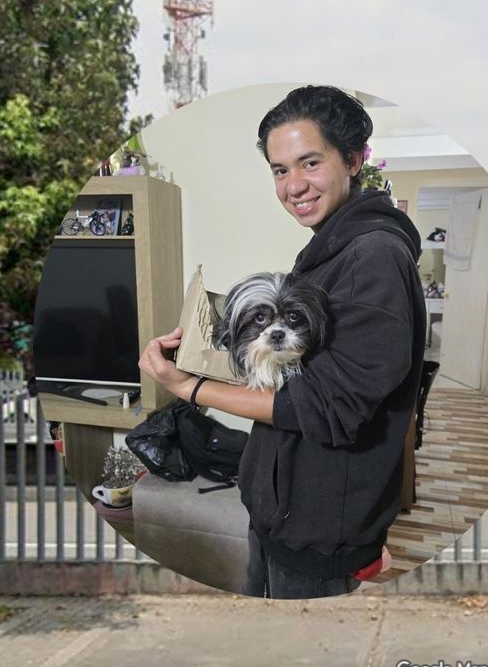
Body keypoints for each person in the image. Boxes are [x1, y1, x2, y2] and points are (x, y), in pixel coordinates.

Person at [138, 85, 426, 599]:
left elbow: (326, 409)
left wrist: (187, 388)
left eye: (310, 163)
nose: (294, 185)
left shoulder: (372, 259)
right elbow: (301, 368)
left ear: (356, 159)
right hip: (281, 507)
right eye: (279, 170)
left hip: (316, 528)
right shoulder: (328, 249)